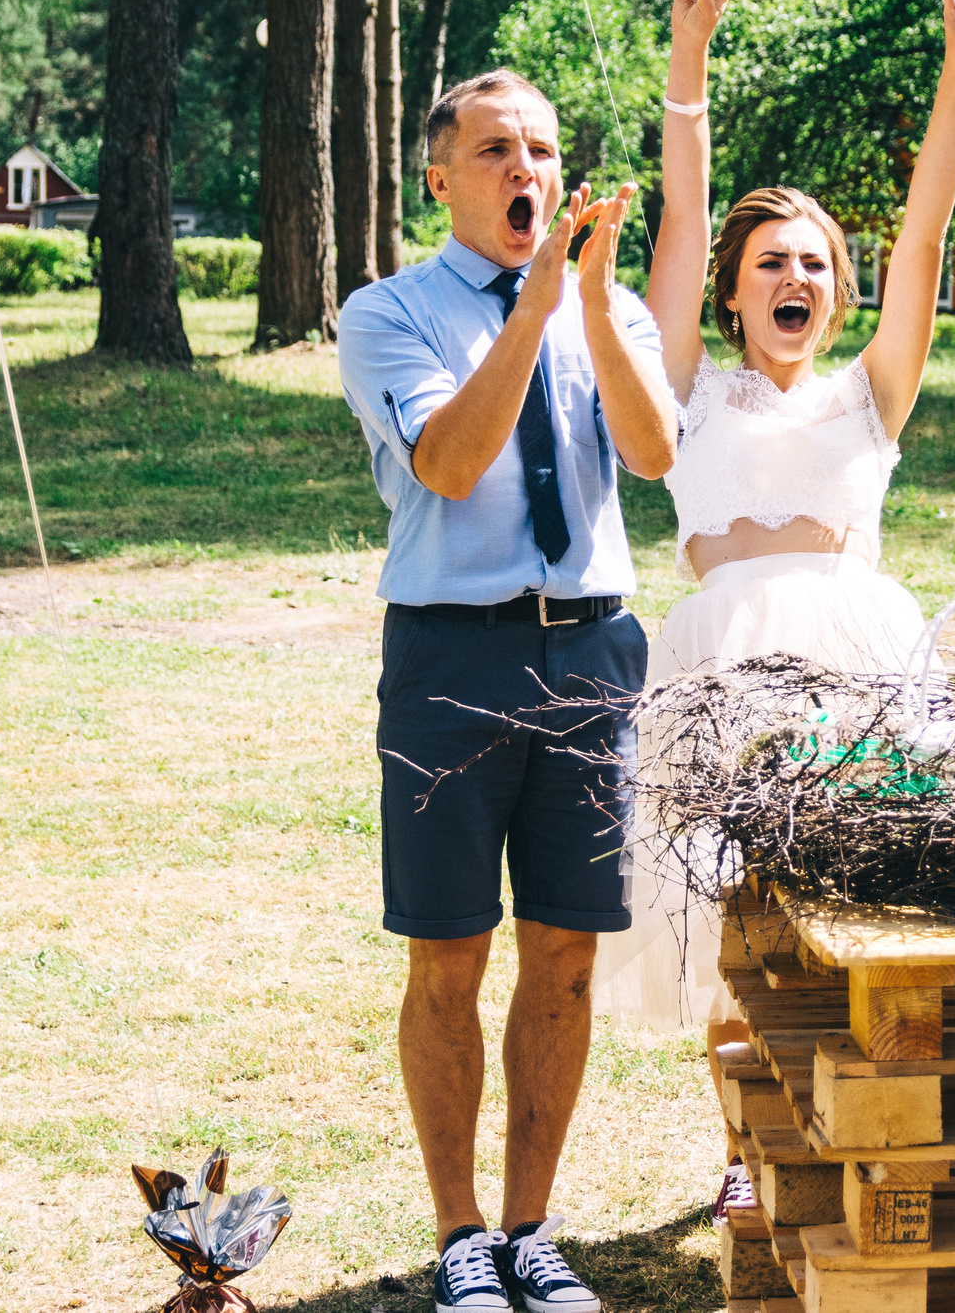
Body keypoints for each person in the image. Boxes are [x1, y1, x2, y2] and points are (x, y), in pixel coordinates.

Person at [587, 0, 955, 1030]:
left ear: (835, 295)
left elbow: (925, 236)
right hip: (720, 660)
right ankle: (741, 1128)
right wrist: (690, 54)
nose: (795, 277)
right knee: (722, 881)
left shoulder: (872, 395)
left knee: (860, 870)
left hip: (861, 656)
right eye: (771, 261)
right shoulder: (690, 388)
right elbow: (682, 216)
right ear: (732, 292)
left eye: (814, 264)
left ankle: (855, 1076)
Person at [339, 71, 680, 1313]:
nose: (524, 169)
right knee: (448, 956)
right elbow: (450, 458)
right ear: (442, 178)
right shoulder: (388, 313)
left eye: (540, 148)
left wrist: (581, 304)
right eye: (494, 150)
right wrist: (533, 314)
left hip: (591, 653)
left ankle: (534, 1228)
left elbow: (653, 455)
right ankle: (460, 1237)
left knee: (567, 955)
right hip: (452, 655)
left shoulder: (610, 304)